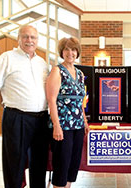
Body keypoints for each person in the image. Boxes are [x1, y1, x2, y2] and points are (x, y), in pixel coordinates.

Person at [0, 25, 50, 188]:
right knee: (14, 163)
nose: (29, 40)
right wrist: (5, 104)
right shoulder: (6, 58)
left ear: (37, 40)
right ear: (19, 39)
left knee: (39, 163)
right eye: (25, 37)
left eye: (33, 37)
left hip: (41, 119)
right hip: (17, 118)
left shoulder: (41, 62)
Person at [46, 37, 89, 188]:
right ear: (61, 52)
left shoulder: (80, 73)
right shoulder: (57, 71)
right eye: (66, 49)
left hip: (77, 126)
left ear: (77, 52)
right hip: (63, 126)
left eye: (73, 49)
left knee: (72, 165)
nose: (70, 52)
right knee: (61, 166)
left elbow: (80, 101)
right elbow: (51, 100)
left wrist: (84, 121)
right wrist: (56, 126)